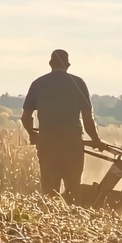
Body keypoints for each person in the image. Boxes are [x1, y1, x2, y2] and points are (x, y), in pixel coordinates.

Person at [21, 49, 104, 198]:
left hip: (47, 144)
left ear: (50, 63)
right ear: (68, 65)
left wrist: (33, 133)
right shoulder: (78, 83)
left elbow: (26, 117)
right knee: (73, 188)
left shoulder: (38, 83)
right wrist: (96, 140)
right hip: (72, 144)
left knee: (49, 190)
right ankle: (72, 216)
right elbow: (87, 118)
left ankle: (50, 217)